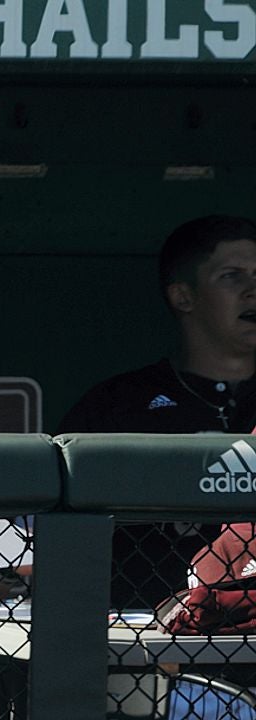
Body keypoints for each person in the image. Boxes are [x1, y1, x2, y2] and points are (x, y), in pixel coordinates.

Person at [59, 215, 256, 610]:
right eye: (232, 276)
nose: (254, 290)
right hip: (139, 637)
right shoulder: (119, 404)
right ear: (183, 297)